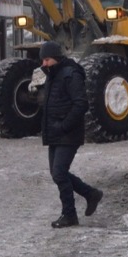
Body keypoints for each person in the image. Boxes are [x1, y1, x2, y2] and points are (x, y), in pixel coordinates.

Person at [38, 40, 102, 228]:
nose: (44, 64)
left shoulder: (70, 74)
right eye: (42, 60)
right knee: (57, 173)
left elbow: (81, 104)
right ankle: (91, 194)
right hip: (55, 133)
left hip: (68, 133)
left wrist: (64, 126)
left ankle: (69, 215)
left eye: (47, 60)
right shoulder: (53, 74)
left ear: (56, 58)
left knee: (59, 173)